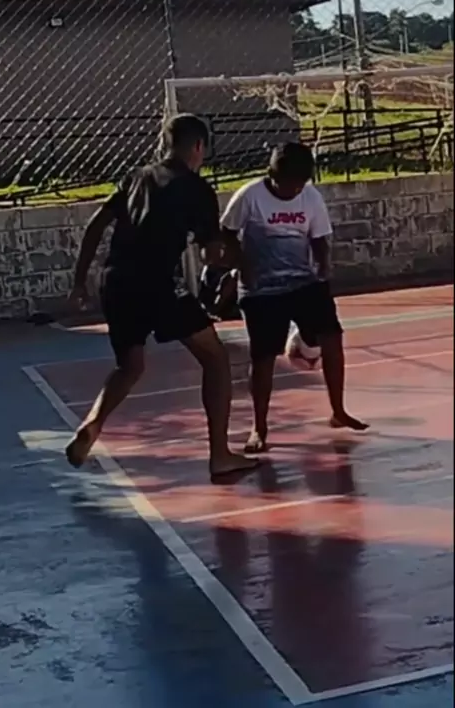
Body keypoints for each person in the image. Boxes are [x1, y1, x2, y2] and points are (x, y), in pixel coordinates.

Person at [65, 113, 257, 478]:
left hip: (114, 280)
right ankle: (220, 455)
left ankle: (93, 422)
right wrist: (231, 255)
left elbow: (96, 225)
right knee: (215, 358)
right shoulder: (197, 188)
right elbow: (210, 254)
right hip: (156, 282)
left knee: (130, 365)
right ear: (198, 147)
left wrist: (79, 282)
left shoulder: (135, 177)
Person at [220, 141, 369, 453]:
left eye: (301, 184)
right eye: (290, 184)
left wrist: (324, 267)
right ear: (273, 177)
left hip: (303, 280)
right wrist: (241, 266)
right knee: (263, 357)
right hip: (261, 287)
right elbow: (227, 233)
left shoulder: (310, 196)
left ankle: (338, 411)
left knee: (332, 338)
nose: (295, 190)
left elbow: (319, 238)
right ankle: (259, 428)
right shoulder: (250, 196)